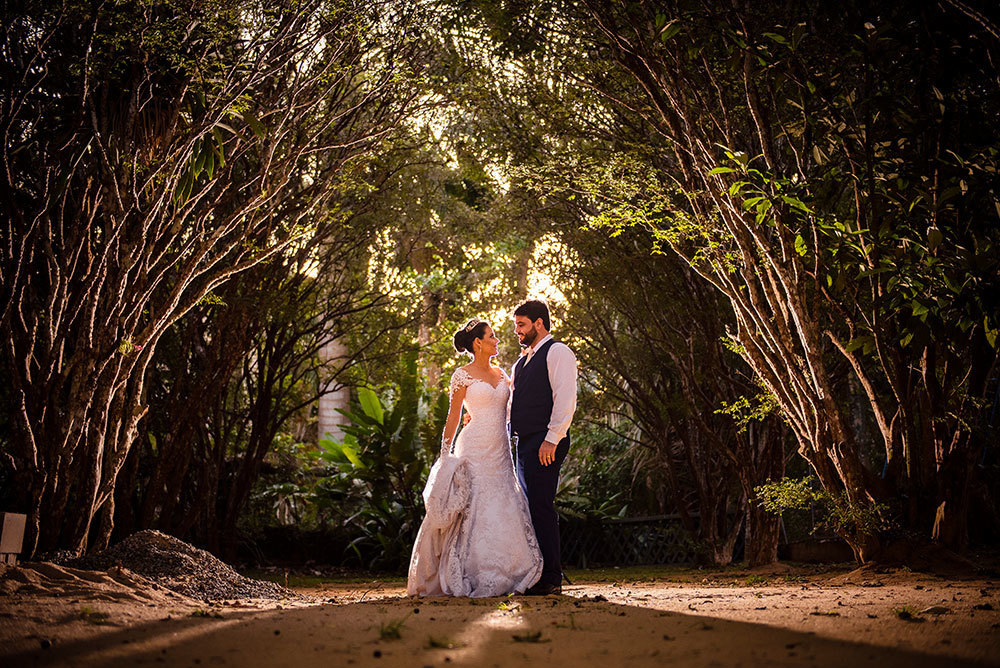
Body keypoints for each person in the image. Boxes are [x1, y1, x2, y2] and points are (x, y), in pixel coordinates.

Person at [407, 318, 543, 597]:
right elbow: (454, 416)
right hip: (473, 448)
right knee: (474, 503)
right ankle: (471, 570)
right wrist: (445, 455)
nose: (497, 340)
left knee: (504, 499)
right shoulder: (462, 375)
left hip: (500, 450)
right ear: (478, 343)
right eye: (492, 336)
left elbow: (509, 411)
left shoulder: (502, 374)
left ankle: (513, 569)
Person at [509, 299, 577, 596]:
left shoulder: (558, 352)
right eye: (516, 326)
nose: (518, 331)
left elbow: (566, 398)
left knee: (541, 506)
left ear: (539, 323)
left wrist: (552, 438)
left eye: (522, 325)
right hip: (524, 443)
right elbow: (513, 404)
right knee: (529, 508)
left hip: (545, 441)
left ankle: (551, 577)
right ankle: (538, 572)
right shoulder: (520, 362)